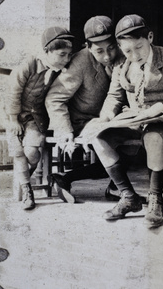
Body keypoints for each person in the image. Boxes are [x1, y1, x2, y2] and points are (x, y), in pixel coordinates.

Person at [90, 14, 163, 228]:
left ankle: (155, 198)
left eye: (139, 48)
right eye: (127, 51)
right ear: (120, 47)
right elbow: (114, 97)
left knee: (153, 137)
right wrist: (106, 117)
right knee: (99, 138)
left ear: (150, 37)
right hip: (136, 117)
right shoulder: (122, 68)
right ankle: (129, 197)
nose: (134, 55)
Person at [46, 16, 123, 203]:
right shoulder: (80, 62)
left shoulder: (124, 55)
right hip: (81, 121)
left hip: (109, 118)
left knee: (129, 148)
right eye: (99, 51)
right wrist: (65, 130)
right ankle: (67, 178)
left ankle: (68, 179)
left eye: (111, 48)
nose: (107, 56)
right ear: (88, 47)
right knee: (112, 152)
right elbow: (54, 98)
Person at [6, 26, 75, 210]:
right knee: (18, 150)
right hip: (14, 114)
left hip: (35, 117)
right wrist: (13, 119)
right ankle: (28, 191)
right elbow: (14, 90)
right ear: (47, 51)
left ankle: (23, 177)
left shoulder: (59, 71)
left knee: (32, 152)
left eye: (69, 55)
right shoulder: (29, 64)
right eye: (62, 54)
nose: (66, 59)